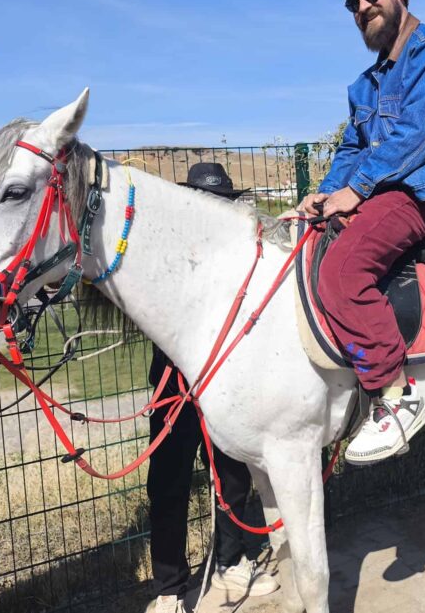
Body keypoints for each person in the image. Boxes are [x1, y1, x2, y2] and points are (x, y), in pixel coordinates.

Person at [297, 0, 425, 466]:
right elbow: (351, 149)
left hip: (420, 193)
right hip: (380, 193)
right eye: (352, 3)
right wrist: (325, 195)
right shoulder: (365, 85)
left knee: (341, 273)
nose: (362, 7)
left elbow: (420, 133)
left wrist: (356, 190)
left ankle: (396, 396)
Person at [146, 163, 278, 613]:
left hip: (225, 382)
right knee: (168, 482)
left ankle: (231, 560)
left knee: (232, 475)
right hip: (174, 387)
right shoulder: (165, 255)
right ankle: (169, 586)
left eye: (220, 202)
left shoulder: (240, 253)